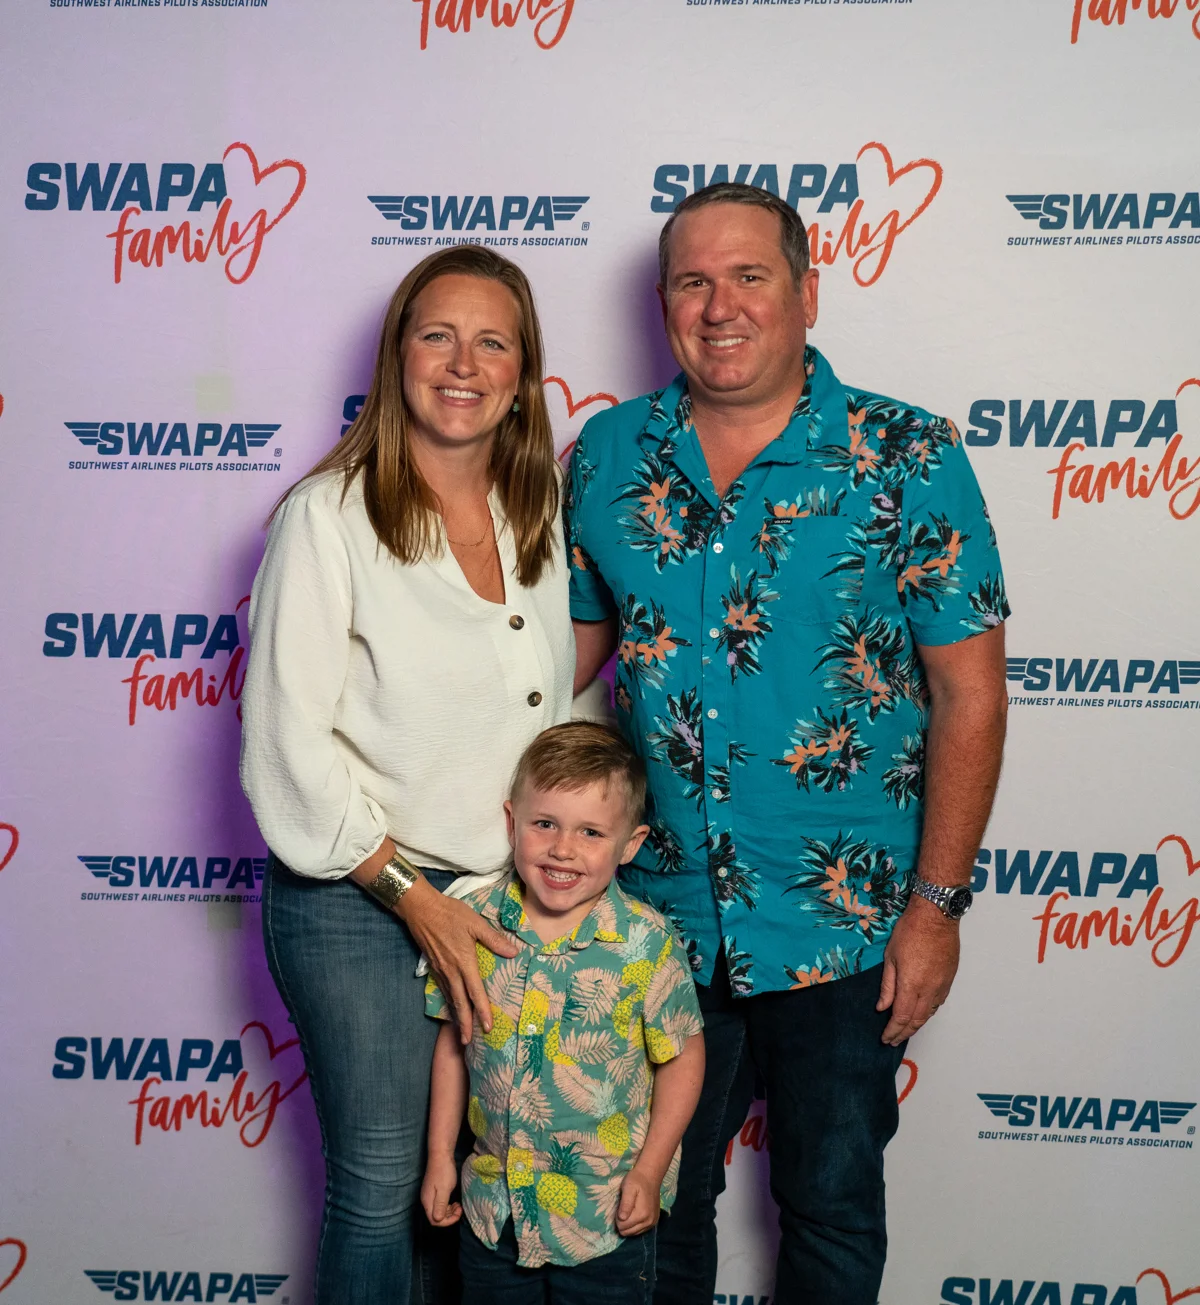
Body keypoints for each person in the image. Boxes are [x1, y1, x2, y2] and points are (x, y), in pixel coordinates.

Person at [565, 183, 1010, 1305]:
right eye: (693, 282)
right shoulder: (607, 455)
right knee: (653, 1199)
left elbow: (970, 694)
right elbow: (552, 668)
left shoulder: (908, 454)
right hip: (660, 918)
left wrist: (937, 908)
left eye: (750, 276)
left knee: (831, 1202)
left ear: (808, 292)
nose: (721, 307)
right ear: (664, 303)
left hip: (847, 924)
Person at [239, 245, 578, 1305]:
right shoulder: (327, 517)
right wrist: (412, 896)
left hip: (497, 903)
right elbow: (285, 747)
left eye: (493, 343)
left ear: (522, 375)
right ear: (398, 358)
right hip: (360, 900)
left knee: (468, 1184)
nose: (463, 364)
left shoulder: (535, 514)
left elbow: (540, 705)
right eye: (438, 336)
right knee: (382, 1183)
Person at [420, 722, 705, 1305]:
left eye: (591, 832)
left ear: (631, 844)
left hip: (604, 1221)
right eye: (544, 824)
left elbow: (683, 1059)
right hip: (493, 1212)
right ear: (512, 823)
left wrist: (651, 1172)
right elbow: (453, 1046)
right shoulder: (473, 925)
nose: (563, 849)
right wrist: (439, 1157)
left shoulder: (647, 944)